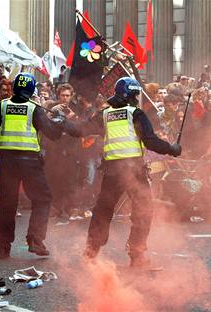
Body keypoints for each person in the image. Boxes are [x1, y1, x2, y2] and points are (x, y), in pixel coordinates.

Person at [66, 77, 182, 267]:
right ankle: (137, 255)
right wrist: (172, 148)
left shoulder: (104, 114)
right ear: (131, 94)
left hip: (112, 171)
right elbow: (151, 141)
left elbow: (82, 130)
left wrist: (64, 123)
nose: (137, 98)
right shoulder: (135, 114)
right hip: (133, 171)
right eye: (136, 94)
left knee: (103, 211)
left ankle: (91, 250)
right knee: (143, 211)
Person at [0, 72, 67, 259]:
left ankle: (3, 246)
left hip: (8, 163)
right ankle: (35, 239)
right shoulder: (34, 109)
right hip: (30, 164)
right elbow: (52, 134)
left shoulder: (2, 106)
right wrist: (59, 121)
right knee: (43, 199)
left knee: (7, 204)